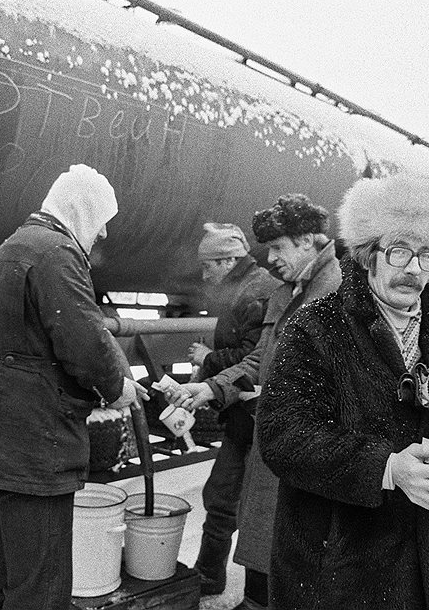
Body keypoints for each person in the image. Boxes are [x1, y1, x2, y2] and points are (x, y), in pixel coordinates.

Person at [257, 175, 429, 610]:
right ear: (369, 254)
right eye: (399, 251)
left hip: (421, 558)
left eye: (427, 255)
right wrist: (387, 468)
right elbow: (282, 438)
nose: (413, 268)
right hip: (336, 566)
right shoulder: (316, 327)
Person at [0, 165, 147, 610]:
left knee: (3, 576)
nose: (103, 233)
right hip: (37, 451)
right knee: (41, 590)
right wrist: (118, 386)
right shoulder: (56, 254)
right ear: (82, 211)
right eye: (101, 218)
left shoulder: (13, 247)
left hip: (3, 444)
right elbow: (83, 341)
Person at [169, 193, 340, 610]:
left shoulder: (334, 292)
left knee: (293, 541)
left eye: (279, 247)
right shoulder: (288, 292)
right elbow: (260, 356)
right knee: (262, 527)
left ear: (308, 241)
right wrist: (208, 388)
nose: (272, 258)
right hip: (273, 433)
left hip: (305, 443)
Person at [185, 222, 280, 595]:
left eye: (208, 266)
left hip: (255, 412)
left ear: (227, 261)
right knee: (222, 496)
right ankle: (209, 575)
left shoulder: (254, 293)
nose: (204, 274)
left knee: (248, 506)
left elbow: (255, 356)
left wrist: (209, 359)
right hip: (241, 412)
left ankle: (239, 587)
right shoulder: (245, 288)